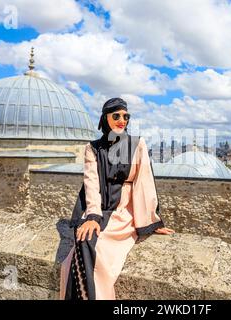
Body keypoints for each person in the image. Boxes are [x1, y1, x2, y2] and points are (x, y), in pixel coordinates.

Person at [60, 97, 175, 300]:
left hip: (125, 213)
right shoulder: (92, 148)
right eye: (117, 116)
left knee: (89, 247)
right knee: (79, 247)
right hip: (100, 208)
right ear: (106, 118)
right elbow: (91, 184)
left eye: (126, 116)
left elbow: (144, 183)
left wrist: (151, 221)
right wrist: (93, 217)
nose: (122, 120)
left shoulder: (137, 144)